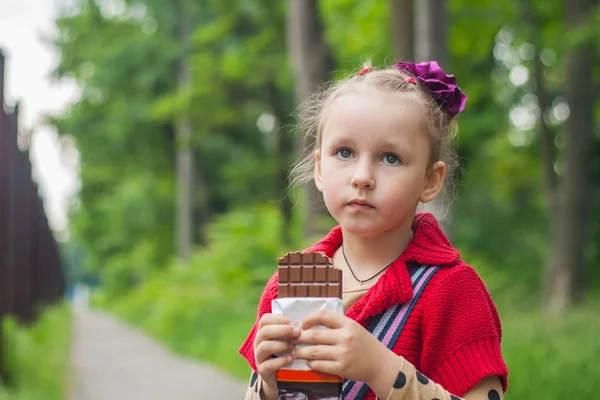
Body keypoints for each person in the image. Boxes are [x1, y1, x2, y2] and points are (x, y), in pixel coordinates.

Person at [239, 60, 508, 400]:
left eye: (390, 158)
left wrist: (380, 369)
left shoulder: (452, 291)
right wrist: (267, 385)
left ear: (430, 180)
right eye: (345, 152)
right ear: (320, 168)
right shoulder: (288, 284)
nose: (362, 176)